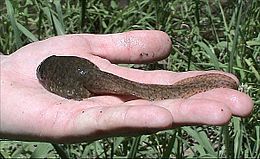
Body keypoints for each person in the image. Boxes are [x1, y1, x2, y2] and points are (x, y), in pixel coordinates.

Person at [0, 30, 253, 143]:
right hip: (84, 74)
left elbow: (77, 85)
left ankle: (214, 84)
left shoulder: (69, 72)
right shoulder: (56, 70)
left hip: (85, 74)